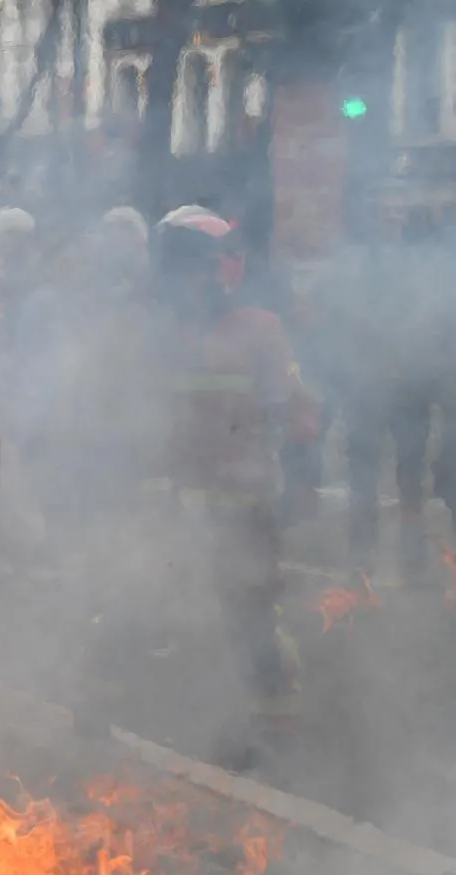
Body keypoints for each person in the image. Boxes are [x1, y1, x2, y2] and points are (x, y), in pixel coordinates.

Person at [154, 207, 317, 763]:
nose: (179, 283)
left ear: (221, 267)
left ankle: (278, 735)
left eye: (190, 268)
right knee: (170, 617)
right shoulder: (163, 331)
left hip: (246, 511)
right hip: (179, 512)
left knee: (251, 621)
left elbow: (298, 417)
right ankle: (201, 724)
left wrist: (299, 485)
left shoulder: (260, 330)